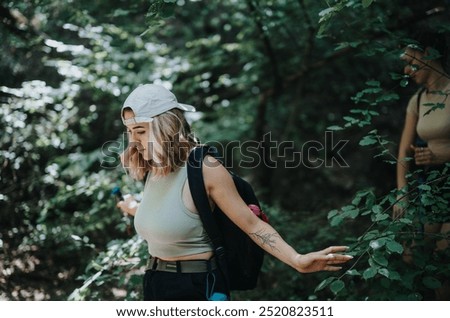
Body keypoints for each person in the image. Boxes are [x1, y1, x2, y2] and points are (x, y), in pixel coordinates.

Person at [116, 83, 353, 301]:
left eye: (141, 130)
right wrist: (135, 208)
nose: (134, 140)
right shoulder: (154, 168)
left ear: (167, 127)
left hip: (196, 289)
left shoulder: (205, 169)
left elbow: (252, 224)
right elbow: (173, 216)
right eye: (129, 131)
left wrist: (297, 260)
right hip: (155, 283)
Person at [394, 31, 450, 299]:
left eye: (410, 60)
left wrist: (444, 156)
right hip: (431, 186)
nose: (406, 69)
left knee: (443, 260)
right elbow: (403, 151)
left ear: (427, 54)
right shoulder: (417, 99)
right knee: (411, 253)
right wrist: (402, 193)